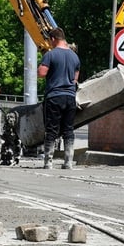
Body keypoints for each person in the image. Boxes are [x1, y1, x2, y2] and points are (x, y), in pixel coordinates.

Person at [38, 28, 80, 169]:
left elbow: (42, 73)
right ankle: (68, 161)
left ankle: (48, 161)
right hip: (70, 97)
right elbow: (75, 78)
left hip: (54, 96)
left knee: (51, 129)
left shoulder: (50, 55)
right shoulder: (74, 56)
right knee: (68, 129)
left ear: (53, 39)